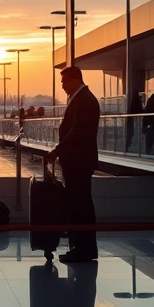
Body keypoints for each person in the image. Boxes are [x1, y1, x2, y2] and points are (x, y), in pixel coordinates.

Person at [44, 66, 100, 263]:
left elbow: (77, 131)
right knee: (78, 203)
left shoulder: (84, 100)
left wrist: (58, 151)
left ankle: (83, 249)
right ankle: (80, 247)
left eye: (65, 81)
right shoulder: (81, 98)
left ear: (76, 79)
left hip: (79, 161)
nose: (62, 85)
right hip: (77, 161)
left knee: (80, 205)